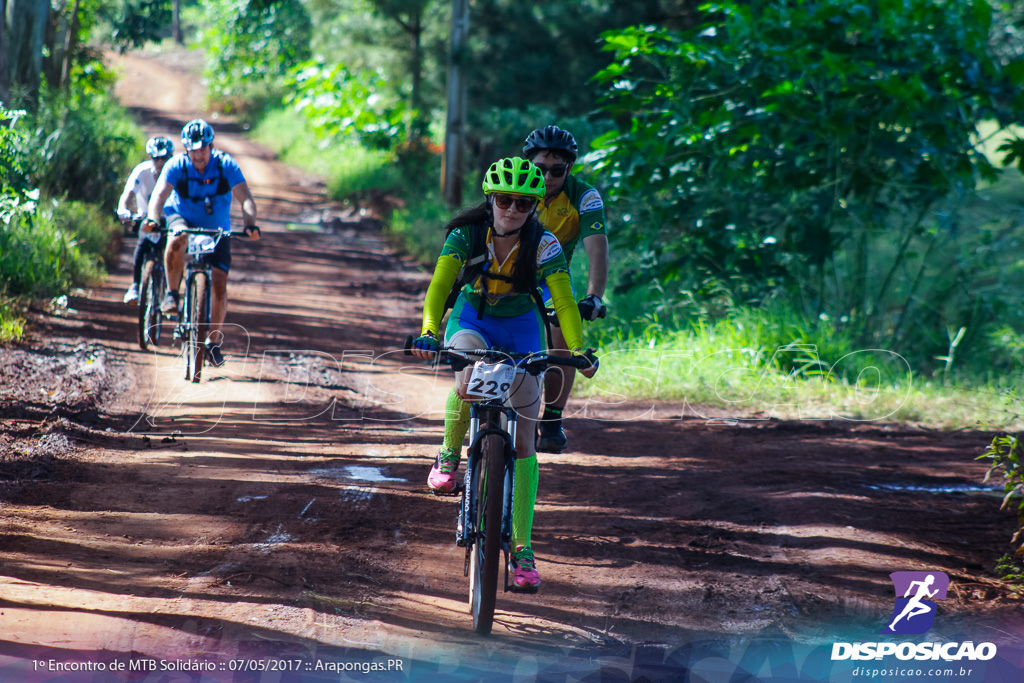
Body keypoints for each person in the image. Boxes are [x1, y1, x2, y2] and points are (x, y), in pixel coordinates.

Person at [411, 157, 597, 592]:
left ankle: (522, 548)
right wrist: (429, 331)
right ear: (490, 200)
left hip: (522, 325)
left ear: (534, 207)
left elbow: (565, 302)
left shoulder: (544, 243)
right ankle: (448, 455)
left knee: (525, 439)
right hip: (472, 318)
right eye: (504, 200)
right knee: (469, 375)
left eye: (522, 203)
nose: (511, 210)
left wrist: (575, 350)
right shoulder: (466, 233)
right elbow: (440, 285)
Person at [144, 118, 260, 368]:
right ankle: (172, 294)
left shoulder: (226, 164)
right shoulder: (176, 165)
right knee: (177, 238)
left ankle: (214, 342)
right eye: (193, 150)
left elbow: (246, 198)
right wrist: (153, 219)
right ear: (186, 149)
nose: (198, 155)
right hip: (181, 217)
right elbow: (159, 196)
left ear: (211, 146)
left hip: (217, 228)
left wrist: (250, 223)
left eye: (203, 149)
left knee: (219, 282)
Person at [522, 125, 609, 453]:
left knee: (562, 342)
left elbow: (596, 247)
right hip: (506, 275)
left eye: (557, 171)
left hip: (551, 278)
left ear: (569, 168)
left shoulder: (583, 196)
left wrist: (594, 295)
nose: (547, 178)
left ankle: (553, 419)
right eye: (539, 169)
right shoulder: (515, 189)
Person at [117, 136, 174, 304]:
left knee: (173, 251)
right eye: (157, 158)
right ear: (151, 157)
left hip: (169, 220)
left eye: (165, 158)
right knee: (141, 245)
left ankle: (172, 294)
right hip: (146, 219)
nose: (161, 162)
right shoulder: (142, 172)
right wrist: (123, 209)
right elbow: (127, 194)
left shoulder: (176, 172)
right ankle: (135, 285)